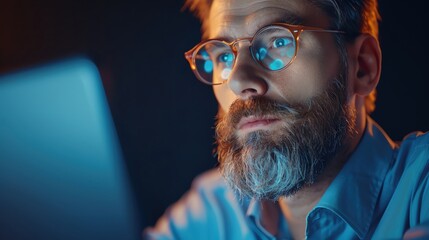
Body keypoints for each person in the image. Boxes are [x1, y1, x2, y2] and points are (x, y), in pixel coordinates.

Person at [144, 0, 429, 239]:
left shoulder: (420, 188)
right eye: (223, 57)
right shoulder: (214, 208)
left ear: (362, 67)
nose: (238, 81)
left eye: (278, 41)